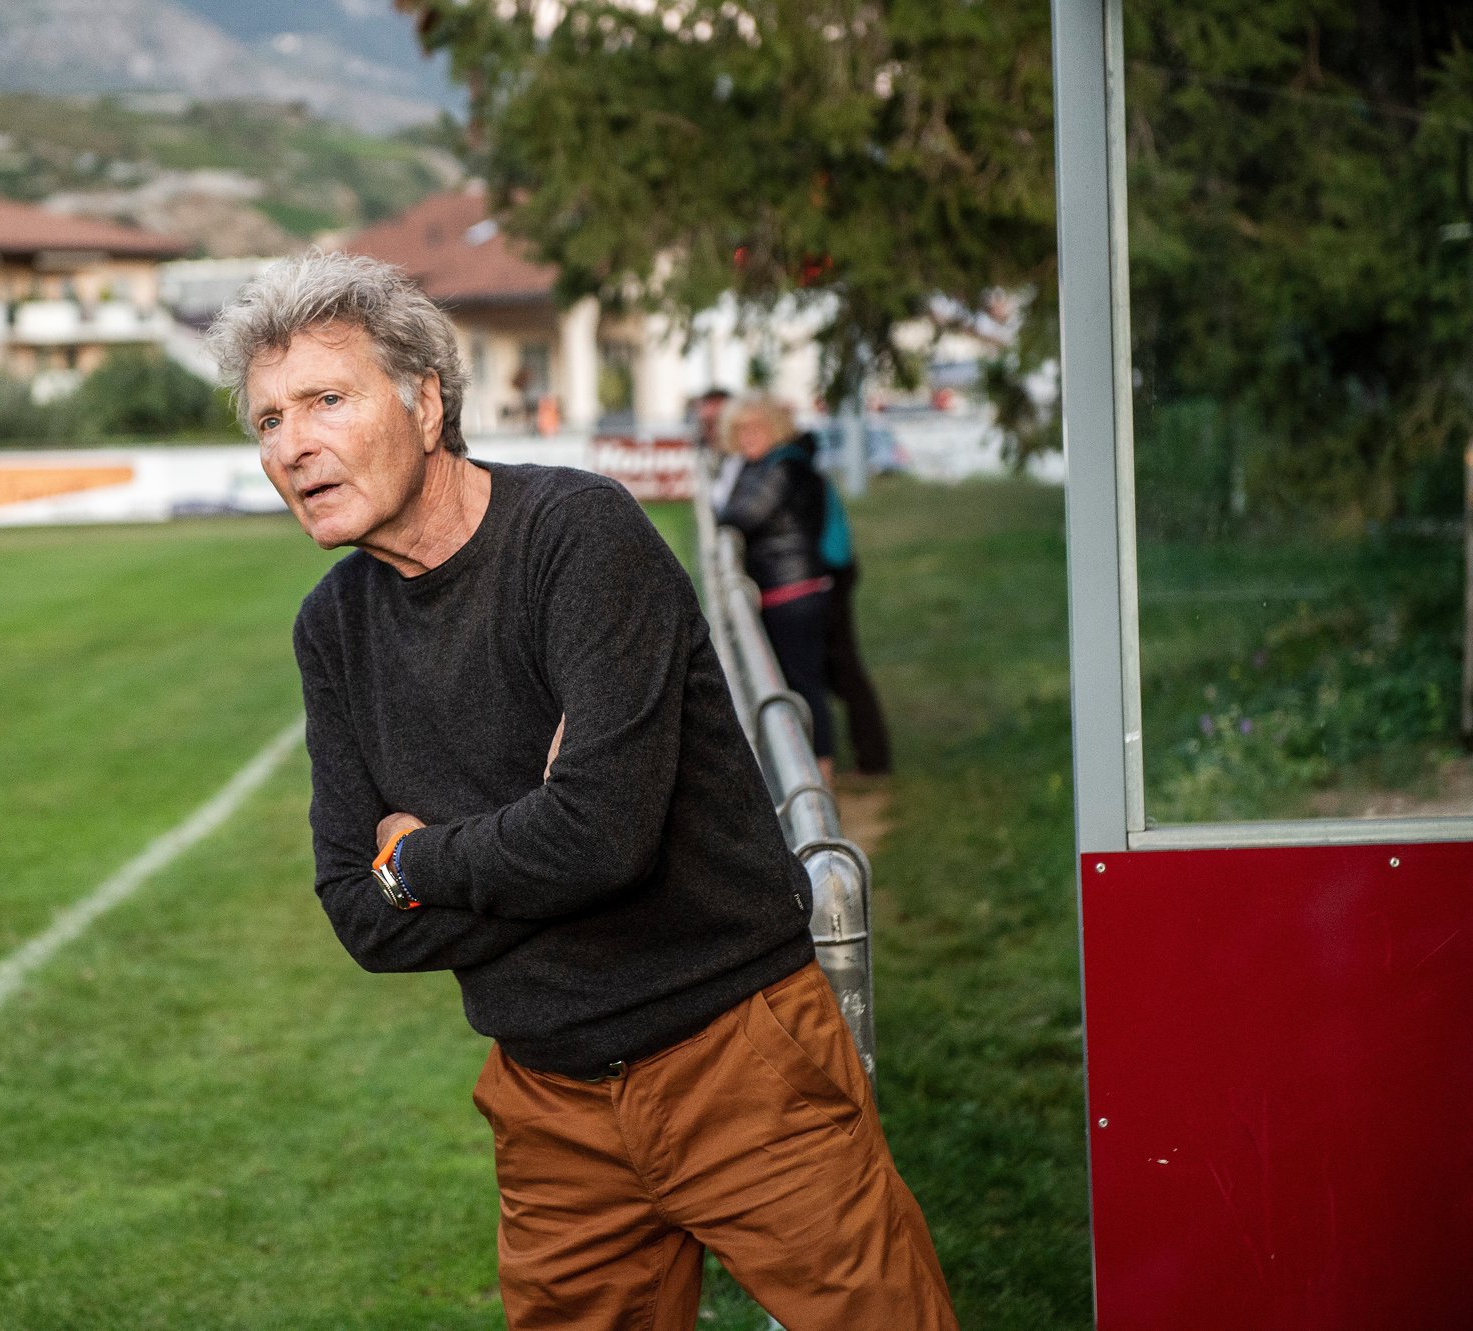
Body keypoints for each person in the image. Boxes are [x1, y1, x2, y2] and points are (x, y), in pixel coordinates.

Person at [205, 252, 955, 1331]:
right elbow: (357, 914)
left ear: (424, 402)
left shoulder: (575, 535)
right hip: (545, 1101)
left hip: (736, 1058)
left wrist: (418, 858)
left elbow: (598, 837)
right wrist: (523, 837)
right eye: (268, 419)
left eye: (325, 399)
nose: (292, 445)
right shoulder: (330, 624)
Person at [716, 395, 839, 784]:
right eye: (740, 430)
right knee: (793, 682)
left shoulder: (783, 467)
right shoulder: (765, 466)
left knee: (804, 685)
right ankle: (810, 771)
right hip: (784, 589)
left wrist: (724, 508)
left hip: (794, 592)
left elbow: (742, 514)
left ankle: (821, 779)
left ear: (774, 428)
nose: (747, 437)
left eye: (755, 428)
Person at [797, 428, 894, 776]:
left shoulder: (806, 482)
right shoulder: (817, 479)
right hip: (836, 573)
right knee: (843, 672)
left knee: (846, 671)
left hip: (832, 577)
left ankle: (873, 759)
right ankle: (871, 756)